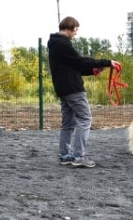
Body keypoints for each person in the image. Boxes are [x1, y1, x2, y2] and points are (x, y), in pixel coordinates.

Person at [47, 16, 119, 168]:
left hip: (63, 89)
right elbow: (79, 61)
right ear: (70, 28)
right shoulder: (63, 45)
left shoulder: (56, 45)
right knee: (85, 119)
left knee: (68, 123)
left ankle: (65, 155)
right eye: (76, 30)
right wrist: (106, 62)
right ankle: (79, 156)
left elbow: (74, 67)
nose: (76, 34)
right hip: (73, 90)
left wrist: (93, 70)